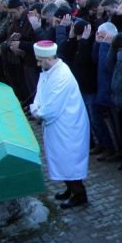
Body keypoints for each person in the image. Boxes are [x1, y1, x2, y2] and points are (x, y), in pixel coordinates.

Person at [29, 40, 90, 209]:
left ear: (48, 59)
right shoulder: (48, 71)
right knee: (61, 160)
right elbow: (40, 92)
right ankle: (70, 189)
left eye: (40, 60)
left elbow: (52, 107)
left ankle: (79, 194)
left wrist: (38, 112)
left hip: (67, 127)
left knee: (68, 160)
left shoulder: (62, 75)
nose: (38, 64)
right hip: (57, 126)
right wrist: (36, 107)